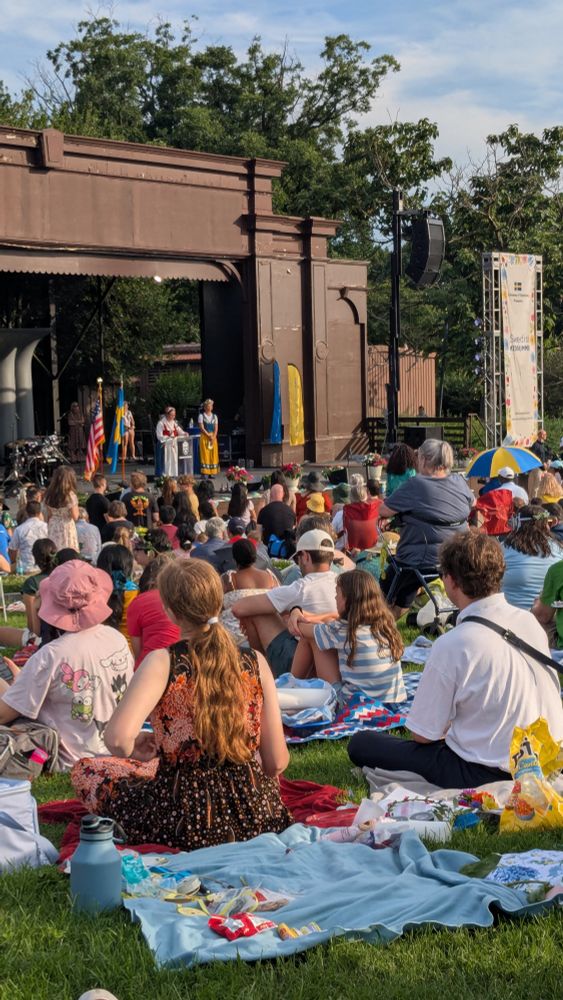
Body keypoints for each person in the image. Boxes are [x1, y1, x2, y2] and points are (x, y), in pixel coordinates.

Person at [71, 559, 291, 849]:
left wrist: (135, 748)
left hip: (182, 816)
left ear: (170, 612)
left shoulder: (162, 662)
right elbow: (276, 762)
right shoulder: (255, 661)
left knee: (87, 770)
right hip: (255, 812)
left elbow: (117, 739)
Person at [348, 532, 563, 787]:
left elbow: (423, 735)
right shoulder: (528, 622)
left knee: (362, 743)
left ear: (450, 581)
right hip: (545, 757)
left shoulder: (454, 643)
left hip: (485, 769)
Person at [0, 560, 134, 770]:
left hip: (72, 761)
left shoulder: (51, 655)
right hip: (114, 749)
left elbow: (3, 714)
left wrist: (8, 687)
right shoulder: (116, 639)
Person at [378, 439, 474, 618]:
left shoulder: (416, 485)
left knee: (389, 580)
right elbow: (472, 503)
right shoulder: (460, 482)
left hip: (420, 559)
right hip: (457, 557)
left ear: (425, 459)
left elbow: (383, 509)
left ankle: (382, 624)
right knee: (406, 578)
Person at [232, 529, 338, 676]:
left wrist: (281, 610)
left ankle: (264, 674)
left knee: (255, 613)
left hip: (303, 663)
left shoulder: (301, 587)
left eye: (298, 559)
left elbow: (238, 608)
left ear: (306, 557)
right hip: (335, 661)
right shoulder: (342, 581)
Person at [291, 570, 407, 703]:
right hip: (393, 703)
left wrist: (295, 611)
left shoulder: (342, 630)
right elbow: (329, 622)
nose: (334, 598)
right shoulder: (385, 626)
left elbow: (298, 629)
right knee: (320, 635)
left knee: (312, 638)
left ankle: (291, 685)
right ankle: (295, 685)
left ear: (348, 599)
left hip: (354, 706)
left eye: (337, 593)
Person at [501, 505, 563, 609]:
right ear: (546, 525)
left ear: (518, 524)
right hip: (548, 619)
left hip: (510, 617)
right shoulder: (558, 549)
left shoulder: (503, 549)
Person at [221, 538, 278, 645]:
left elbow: (217, 606)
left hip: (234, 638)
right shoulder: (271, 577)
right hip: (269, 636)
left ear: (234, 558)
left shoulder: (229, 579)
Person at [126, 554, 180, 668]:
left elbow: (138, 650)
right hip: (182, 664)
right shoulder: (183, 597)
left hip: (149, 666)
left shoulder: (137, 602)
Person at [97, 544, 139, 647]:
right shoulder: (137, 594)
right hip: (129, 654)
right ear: (128, 566)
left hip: (99, 655)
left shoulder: (93, 594)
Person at [44, 466, 79, 551]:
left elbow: (49, 514)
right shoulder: (70, 495)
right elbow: (75, 516)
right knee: (67, 552)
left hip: (53, 525)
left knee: (54, 550)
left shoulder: (49, 494)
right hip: (66, 525)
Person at [8, 500, 47, 572]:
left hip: (26, 568)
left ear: (27, 512)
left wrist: (13, 563)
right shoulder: (46, 527)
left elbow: (12, 551)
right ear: (39, 513)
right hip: (44, 567)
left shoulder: (19, 529)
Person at [257, 483, 296, 549]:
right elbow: (293, 529)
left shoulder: (263, 511)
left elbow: (258, 533)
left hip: (269, 549)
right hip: (286, 549)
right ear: (283, 495)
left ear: (270, 495)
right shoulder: (291, 511)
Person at [156, 406, 184, 478]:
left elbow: (179, 430)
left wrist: (184, 433)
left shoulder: (174, 423)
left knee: (173, 460)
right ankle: (164, 474)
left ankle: (173, 474)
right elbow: (159, 436)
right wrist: (168, 438)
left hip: (173, 445)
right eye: (172, 415)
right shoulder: (161, 423)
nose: (173, 417)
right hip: (164, 446)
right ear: (167, 414)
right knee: (166, 461)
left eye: (174, 415)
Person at [198, 399, 219, 478]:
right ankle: (204, 472)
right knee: (205, 454)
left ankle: (212, 472)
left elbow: (216, 428)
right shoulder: (201, 416)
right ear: (205, 407)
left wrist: (213, 436)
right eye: (208, 406)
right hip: (205, 437)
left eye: (211, 406)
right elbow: (201, 427)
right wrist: (208, 435)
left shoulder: (215, 416)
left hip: (213, 437)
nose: (209, 407)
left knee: (213, 454)